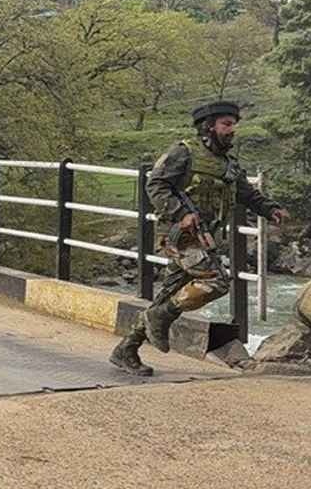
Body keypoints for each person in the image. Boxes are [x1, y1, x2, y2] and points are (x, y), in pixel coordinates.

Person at [110, 101, 290, 376]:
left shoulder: (229, 164)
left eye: (234, 125)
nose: (232, 130)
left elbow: (247, 194)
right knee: (216, 281)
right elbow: (156, 184)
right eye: (226, 124)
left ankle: (126, 349)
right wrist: (180, 212)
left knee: (169, 295)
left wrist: (271, 209)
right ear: (209, 126)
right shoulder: (184, 152)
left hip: (206, 237)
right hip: (179, 237)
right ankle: (158, 317)